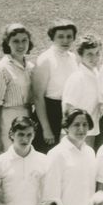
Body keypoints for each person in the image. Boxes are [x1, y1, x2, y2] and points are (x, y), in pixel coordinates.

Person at [43, 108, 97, 205]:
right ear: (66, 128)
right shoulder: (57, 154)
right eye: (76, 125)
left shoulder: (90, 152)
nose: (81, 129)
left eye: (85, 125)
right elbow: (51, 193)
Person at [0, 23, 35, 158]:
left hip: (27, 117)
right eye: (15, 41)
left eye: (24, 40)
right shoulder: (2, 68)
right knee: (8, 158)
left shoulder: (31, 67)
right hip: (7, 118)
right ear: (7, 43)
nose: (20, 45)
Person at [31, 19, 77, 151]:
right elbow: (38, 96)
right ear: (52, 38)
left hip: (68, 111)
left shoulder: (73, 57)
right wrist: (46, 128)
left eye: (69, 37)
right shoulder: (46, 59)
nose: (65, 40)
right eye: (60, 37)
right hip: (49, 111)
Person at [61, 34, 103, 151]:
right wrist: (73, 133)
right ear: (81, 55)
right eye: (89, 54)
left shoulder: (97, 74)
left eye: (97, 53)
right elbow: (67, 108)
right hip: (75, 133)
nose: (94, 58)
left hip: (90, 131)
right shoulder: (77, 78)